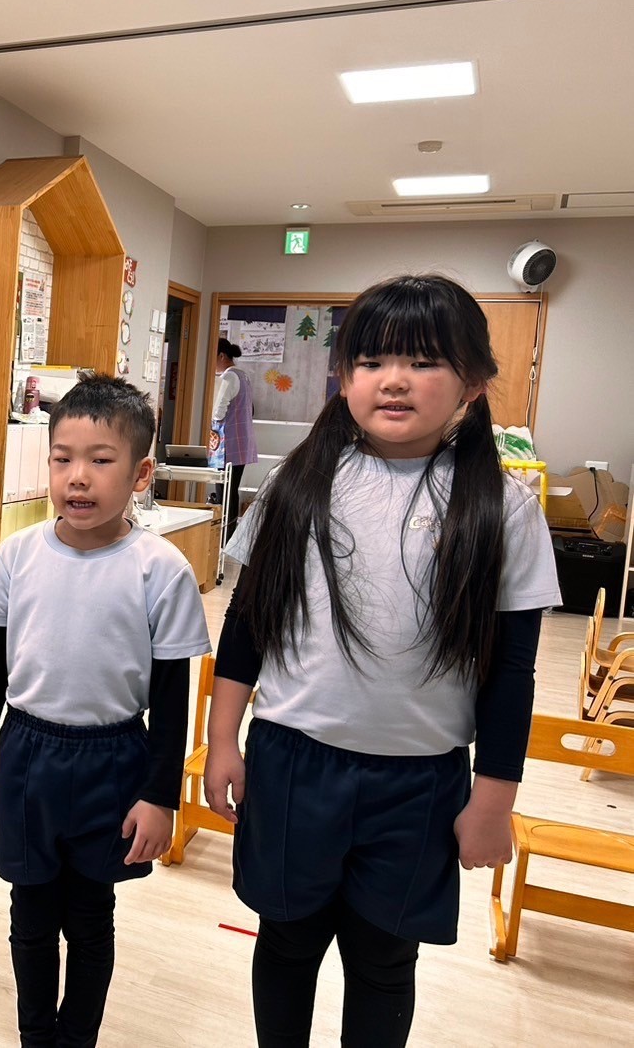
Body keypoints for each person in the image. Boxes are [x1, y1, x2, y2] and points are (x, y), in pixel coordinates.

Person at [203, 275, 561, 1047]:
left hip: (417, 782)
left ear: (472, 381)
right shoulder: (297, 485)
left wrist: (492, 801)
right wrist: (221, 739)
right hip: (293, 762)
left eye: (423, 361)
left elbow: (511, 672)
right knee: (286, 942)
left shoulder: (502, 509)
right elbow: (246, 626)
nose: (392, 379)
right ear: (343, 376)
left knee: (383, 960)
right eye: (370, 360)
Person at [0, 374, 212, 1047]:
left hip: (113, 757)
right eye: (62, 458)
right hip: (27, 752)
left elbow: (171, 697)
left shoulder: (159, 568)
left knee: (91, 917)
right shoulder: (17, 555)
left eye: (100, 460)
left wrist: (160, 796)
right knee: (30, 912)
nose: (77, 477)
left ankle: (77, 1039)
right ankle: (35, 1036)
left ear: (140, 473)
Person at [211, 337, 257, 538]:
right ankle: (229, 535)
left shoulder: (229, 377)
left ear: (221, 356)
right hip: (241, 442)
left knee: (223, 490)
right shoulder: (243, 375)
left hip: (227, 443)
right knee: (232, 489)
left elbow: (218, 413)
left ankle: (222, 536)